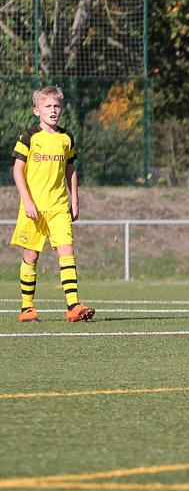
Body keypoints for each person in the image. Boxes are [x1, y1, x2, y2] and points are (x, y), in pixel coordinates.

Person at [10, 85, 95, 323]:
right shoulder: (28, 137)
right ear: (36, 110)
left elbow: (71, 169)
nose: (53, 110)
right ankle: (27, 308)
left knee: (67, 250)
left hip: (58, 207)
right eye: (47, 106)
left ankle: (73, 306)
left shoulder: (66, 138)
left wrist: (74, 199)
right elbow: (17, 172)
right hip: (34, 208)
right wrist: (27, 201)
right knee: (31, 255)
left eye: (57, 105)